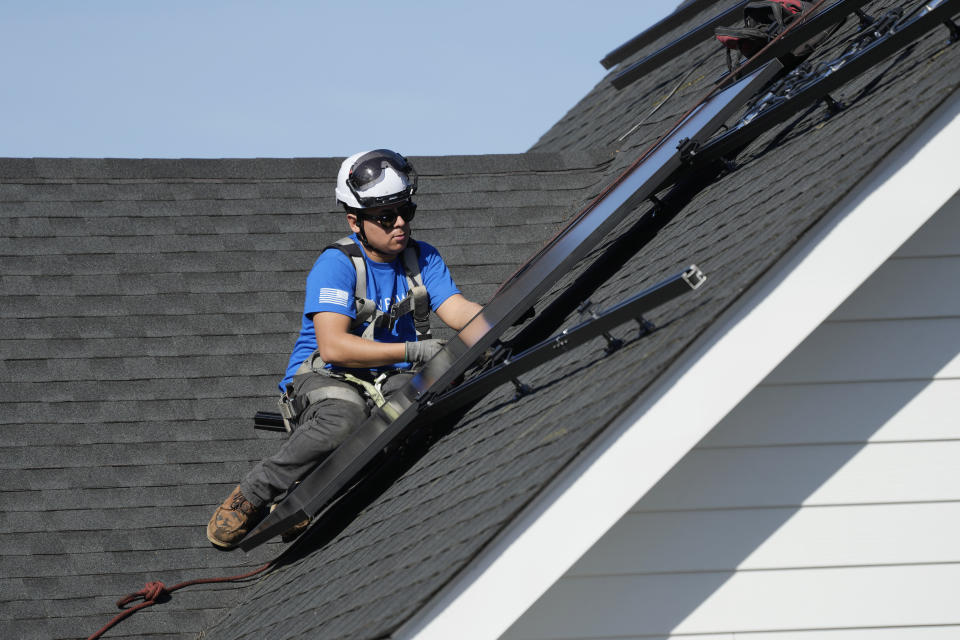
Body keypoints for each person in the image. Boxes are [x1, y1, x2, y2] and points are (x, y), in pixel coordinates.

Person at [207, 149, 483, 549]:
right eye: (386, 217)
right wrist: (416, 351)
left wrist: (493, 321)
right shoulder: (336, 265)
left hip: (389, 375)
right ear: (355, 220)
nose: (400, 223)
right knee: (344, 418)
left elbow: (456, 308)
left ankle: (310, 493)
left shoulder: (423, 259)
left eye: (406, 210)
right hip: (326, 377)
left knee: (420, 405)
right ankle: (254, 494)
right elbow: (335, 347)